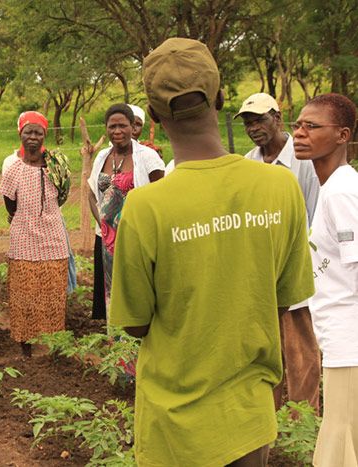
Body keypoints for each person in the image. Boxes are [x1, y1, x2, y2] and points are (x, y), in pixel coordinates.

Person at [109, 38, 314, 466]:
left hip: (174, 428)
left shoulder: (145, 207)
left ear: (154, 115)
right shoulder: (280, 187)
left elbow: (136, 323)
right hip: (249, 418)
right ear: (220, 98)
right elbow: (282, 299)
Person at [237, 92, 322, 411]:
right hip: (260, 274)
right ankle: (267, 420)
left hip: (297, 272)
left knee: (300, 353)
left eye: (259, 120)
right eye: (248, 123)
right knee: (265, 352)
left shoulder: (304, 160)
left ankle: (304, 421)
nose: (253, 128)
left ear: (278, 117)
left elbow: (314, 216)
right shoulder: (248, 163)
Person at [293, 93, 358, 466]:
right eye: (298, 125)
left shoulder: (342, 193)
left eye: (312, 126)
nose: (300, 133)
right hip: (339, 344)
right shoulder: (331, 188)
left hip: (350, 346)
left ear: (342, 135)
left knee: (338, 448)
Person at [0, 111, 71, 357]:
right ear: (20, 134)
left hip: (53, 237)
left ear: (44, 135)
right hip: (23, 238)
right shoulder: (13, 169)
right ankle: (26, 349)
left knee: (53, 294)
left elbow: (62, 196)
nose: (32, 137)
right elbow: (10, 206)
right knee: (24, 295)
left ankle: (53, 346)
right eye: (28, 132)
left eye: (37, 132)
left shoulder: (56, 165)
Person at [88, 103, 163, 313]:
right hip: (108, 241)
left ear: (132, 126)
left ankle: (140, 333)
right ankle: (116, 334)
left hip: (137, 238)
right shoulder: (102, 157)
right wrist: (104, 226)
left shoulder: (147, 157)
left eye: (122, 126)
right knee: (112, 293)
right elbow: (91, 195)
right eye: (112, 126)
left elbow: (160, 196)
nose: (117, 131)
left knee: (137, 292)